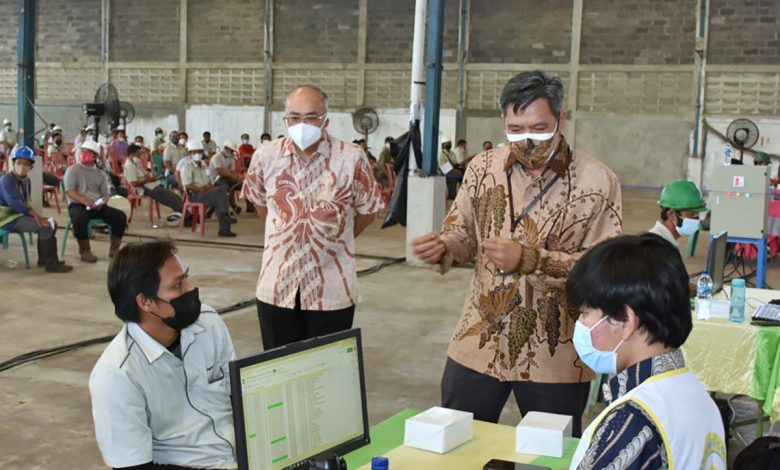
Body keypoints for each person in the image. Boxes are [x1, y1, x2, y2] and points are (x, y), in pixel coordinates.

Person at [411, 70, 622, 435]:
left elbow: (602, 273)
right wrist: (445, 246)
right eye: (516, 129)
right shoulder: (482, 168)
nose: (526, 141)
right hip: (478, 342)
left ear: (562, 119)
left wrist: (530, 260)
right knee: (459, 446)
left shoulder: (598, 182)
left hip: (554, 354)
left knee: (547, 456)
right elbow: (463, 232)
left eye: (539, 129)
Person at [566, 234, 726, 469]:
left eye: (586, 313)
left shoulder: (632, 421)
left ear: (626, 321)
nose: (580, 324)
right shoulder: (698, 396)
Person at [242, 85, 384, 349]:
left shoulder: (351, 158)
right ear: (285, 119)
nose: (302, 124)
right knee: (279, 371)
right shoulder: (266, 156)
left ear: (325, 120)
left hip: (331, 291)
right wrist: (289, 230)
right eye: (294, 117)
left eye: (311, 117)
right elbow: (260, 204)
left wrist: (335, 239)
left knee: (326, 376)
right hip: (277, 288)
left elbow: (369, 211)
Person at [89, 240, 236, 469]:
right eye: (178, 285)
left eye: (186, 277)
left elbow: (237, 395)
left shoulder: (209, 323)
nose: (190, 289)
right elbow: (133, 466)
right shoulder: (117, 376)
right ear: (146, 302)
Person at [0, 146, 72, 273]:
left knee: (50, 223)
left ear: (31, 167)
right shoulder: (6, 180)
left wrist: (37, 216)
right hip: (6, 218)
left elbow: (25, 202)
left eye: (26, 164)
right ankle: (51, 264)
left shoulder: (26, 181)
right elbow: (14, 203)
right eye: (19, 163)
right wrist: (35, 216)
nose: (22, 167)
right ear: (13, 163)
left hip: (17, 215)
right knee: (47, 226)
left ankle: (44, 259)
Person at [64, 139, 127, 263]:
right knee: (79, 218)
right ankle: (85, 250)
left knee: (120, 217)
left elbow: (105, 193)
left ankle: (114, 250)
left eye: (88, 152)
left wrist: (102, 201)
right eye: (83, 151)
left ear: (95, 157)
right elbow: (70, 191)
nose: (84, 154)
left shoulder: (100, 174)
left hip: (97, 205)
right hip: (78, 204)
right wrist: (85, 200)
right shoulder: (73, 170)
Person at [180, 141, 236, 237]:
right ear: (190, 153)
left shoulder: (204, 165)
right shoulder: (187, 166)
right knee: (221, 199)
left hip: (206, 191)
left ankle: (224, 222)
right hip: (195, 194)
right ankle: (225, 224)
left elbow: (209, 179)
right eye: (195, 152)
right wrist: (201, 188)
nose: (198, 155)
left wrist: (210, 187)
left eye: (200, 152)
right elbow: (187, 184)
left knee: (222, 190)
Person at [124, 144, 185, 224]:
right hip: (143, 188)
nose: (140, 156)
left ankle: (186, 215)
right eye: (138, 154)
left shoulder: (136, 163)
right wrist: (147, 180)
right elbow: (134, 183)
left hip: (150, 185)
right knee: (170, 198)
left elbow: (145, 175)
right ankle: (185, 217)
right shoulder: (129, 165)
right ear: (131, 154)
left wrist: (151, 177)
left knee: (175, 196)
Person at [648, 180, 707, 248]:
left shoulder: (667, 241)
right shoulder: (655, 246)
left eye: (697, 214)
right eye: (690, 215)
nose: (696, 220)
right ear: (671, 215)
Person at [208, 139, 242, 214]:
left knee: (241, 185)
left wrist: (237, 178)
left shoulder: (231, 158)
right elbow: (220, 171)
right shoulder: (216, 157)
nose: (232, 153)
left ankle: (215, 207)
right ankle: (229, 207)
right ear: (226, 148)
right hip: (214, 179)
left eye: (233, 151)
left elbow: (232, 172)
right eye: (232, 151)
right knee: (225, 188)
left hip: (224, 178)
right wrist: (233, 177)